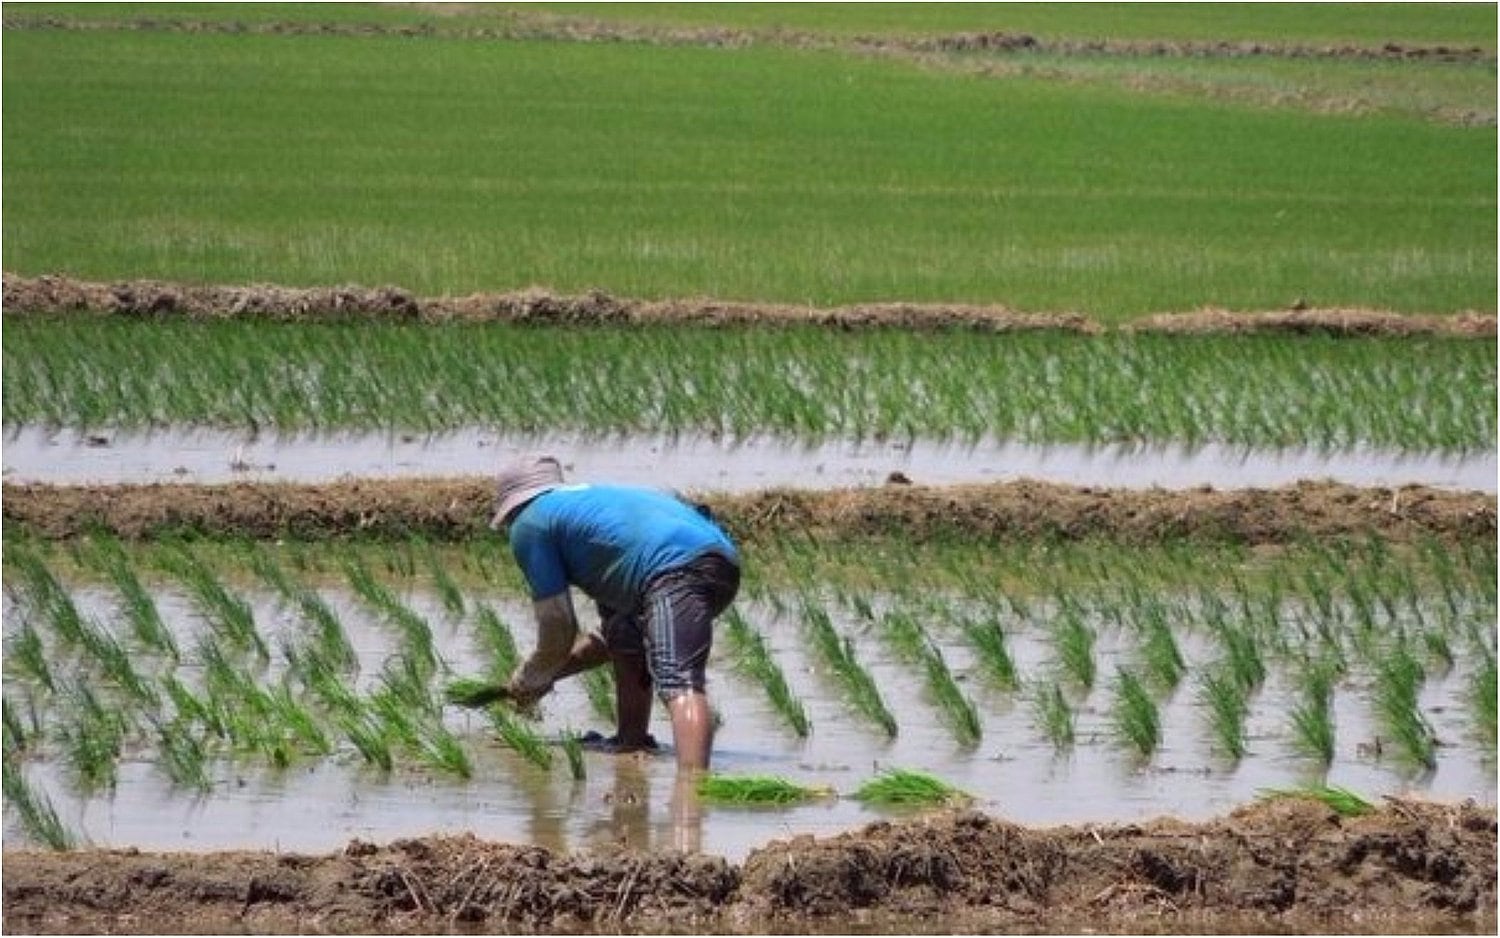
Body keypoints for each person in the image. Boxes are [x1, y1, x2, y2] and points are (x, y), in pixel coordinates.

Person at [490, 454, 741, 772]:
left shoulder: (530, 521)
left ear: (512, 505)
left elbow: (558, 625)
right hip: (720, 560)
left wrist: (532, 675)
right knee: (624, 633)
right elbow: (606, 643)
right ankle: (631, 738)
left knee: (679, 680)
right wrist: (545, 677)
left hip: (674, 569)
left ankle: (691, 796)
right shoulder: (592, 514)